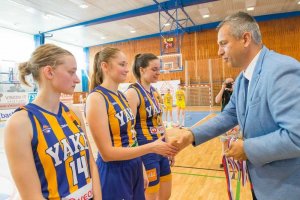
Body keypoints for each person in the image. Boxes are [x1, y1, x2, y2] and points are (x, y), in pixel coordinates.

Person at [168, 12, 300, 200]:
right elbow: (228, 115)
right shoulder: (242, 79)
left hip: (287, 189)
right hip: (262, 185)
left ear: (245, 39)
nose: (219, 52)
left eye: (223, 43)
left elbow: (297, 136)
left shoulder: (280, 70)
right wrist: (190, 135)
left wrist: (248, 148)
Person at [4, 44, 101, 200]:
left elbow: (91, 162)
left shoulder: (74, 112)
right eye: (71, 72)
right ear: (49, 72)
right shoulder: (20, 123)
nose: (77, 79)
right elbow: (31, 196)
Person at [85, 48, 178, 200]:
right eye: (122, 64)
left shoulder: (121, 96)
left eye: (127, 64)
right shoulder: (96, 98)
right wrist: (151, 147)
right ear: (105, 66)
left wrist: (140, 168)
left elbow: (131, 136)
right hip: (114, 170)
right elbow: (107, 154)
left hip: (134, 164)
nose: (127, 69)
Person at [126, 53, 174, 200]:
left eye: (159, 69)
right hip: (146, 152)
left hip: (161, 149)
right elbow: (129, 131)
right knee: (150, 196)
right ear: (142, 70)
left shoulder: (154, 92)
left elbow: (160, 122)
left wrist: (169, 146)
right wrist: (139, 164)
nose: (158, 72)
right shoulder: (132, 93)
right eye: (154, 69)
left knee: (166, 194)